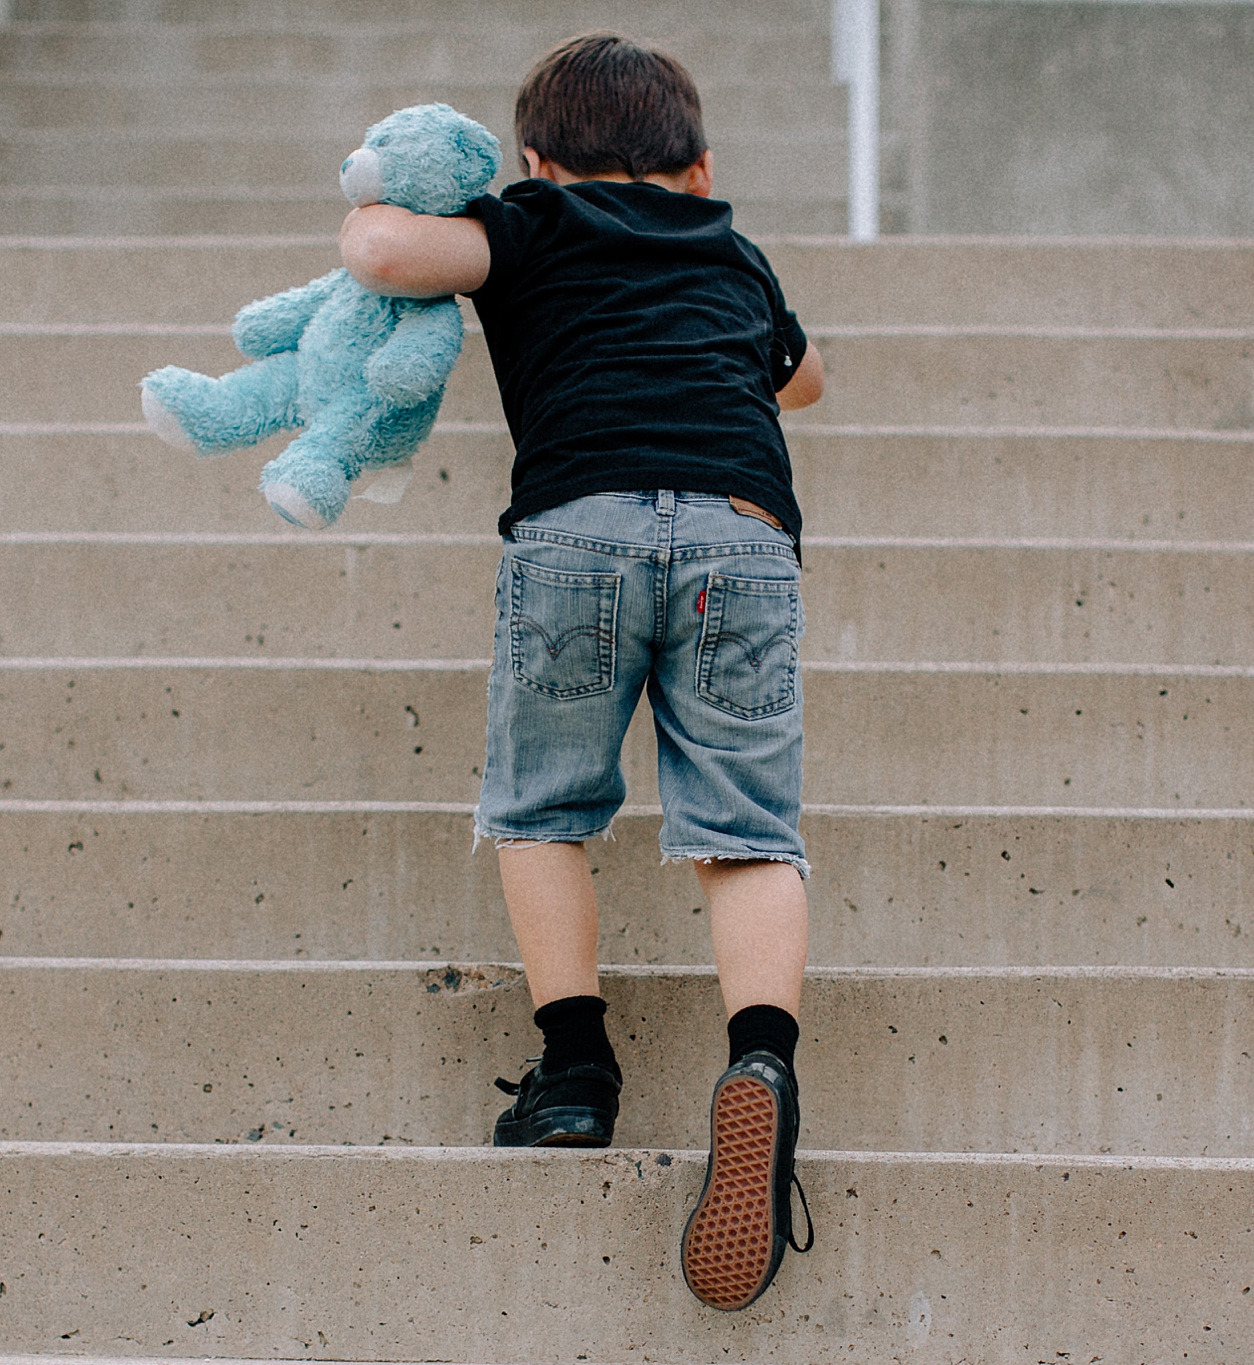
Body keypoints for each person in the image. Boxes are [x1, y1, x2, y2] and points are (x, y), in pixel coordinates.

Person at [338, 30, 825, 1313]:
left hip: (579, 533)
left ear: (538, 163)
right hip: (742, 530)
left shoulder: (534, 226)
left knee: (542, 810)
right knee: (748, 835)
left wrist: (451, 208)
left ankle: (573, 1072)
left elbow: (382, 250)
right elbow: (807, 381)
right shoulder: (730, 248)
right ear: (701, 162)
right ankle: (761, 1064)